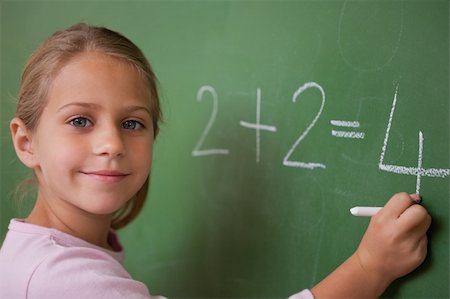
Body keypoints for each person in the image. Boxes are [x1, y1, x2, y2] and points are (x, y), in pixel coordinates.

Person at [0, 23, 431, 299]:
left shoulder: (42, 254)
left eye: (133, 123)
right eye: (80, 120)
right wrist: (370, 268)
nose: (111, 143)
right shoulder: (60, 279)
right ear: (26, 141)